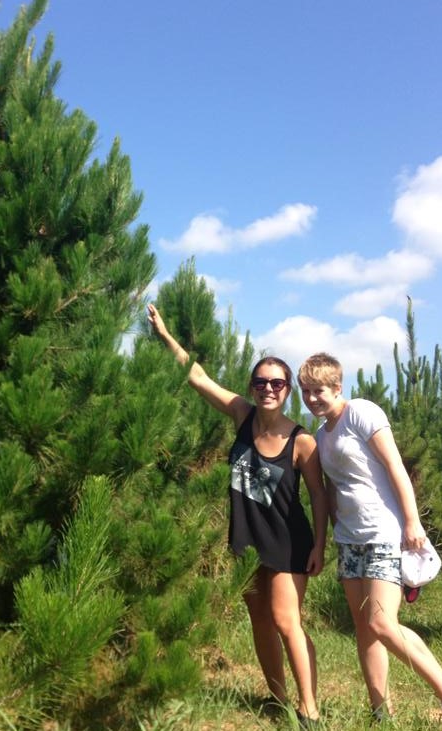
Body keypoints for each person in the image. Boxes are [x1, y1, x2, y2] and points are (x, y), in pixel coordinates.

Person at [148, 304, 327, 727]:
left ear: (288, 391)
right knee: (259, 620)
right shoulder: (242, 416)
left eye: (277, 383)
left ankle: (310, 710)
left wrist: (320, 544)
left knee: (286, 621)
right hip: (247, 541)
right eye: (261, 381)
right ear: (253, 385)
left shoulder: (302, 442)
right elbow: (198, 377)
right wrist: (165, 335)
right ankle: (278, 698)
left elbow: (319, 496)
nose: (268, 388)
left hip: (288, 543)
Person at [298, 352, 442, 728]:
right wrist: (331, 536)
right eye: (305, 391)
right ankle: (380, 713)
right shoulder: (322, 435)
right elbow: (334, 491)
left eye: (318, 390)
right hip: (350, 540)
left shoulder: (361, 413)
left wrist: (411, 522)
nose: (311, 398)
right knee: (364, 628)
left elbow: (395, 467)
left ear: (337, 387)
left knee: (382, 624)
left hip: (384, 533)